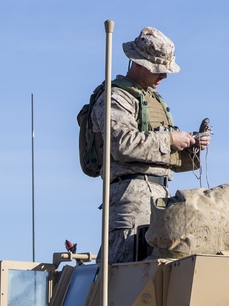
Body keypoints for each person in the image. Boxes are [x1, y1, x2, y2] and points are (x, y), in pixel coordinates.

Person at [90, 27, 210, 263]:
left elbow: (160, 157)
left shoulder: (151, 100)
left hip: (159, 200)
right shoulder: (117, 98)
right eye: (158, 70)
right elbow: (122, 144)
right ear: (139, 64)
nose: (163, 77)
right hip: (131, 203)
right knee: (124, 279)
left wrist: (191, 148)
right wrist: (169, 140)